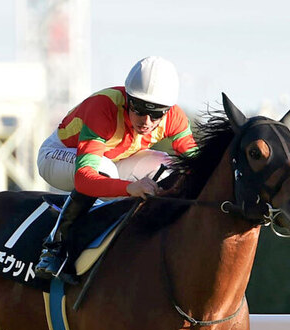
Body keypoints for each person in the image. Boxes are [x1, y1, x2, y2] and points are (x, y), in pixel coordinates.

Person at [34, 56, 198, 282]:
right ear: (127, 100)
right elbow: (85, 179)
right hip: (57, 156)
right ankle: (54, 248)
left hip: (114, 161)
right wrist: (131, 188)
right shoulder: (103, 107)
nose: (147, 121)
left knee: (168, 166)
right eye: (139, 109)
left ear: (168, 110)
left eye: (157, 113)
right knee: (103, 168)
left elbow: (197, 164)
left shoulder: (175, 118)